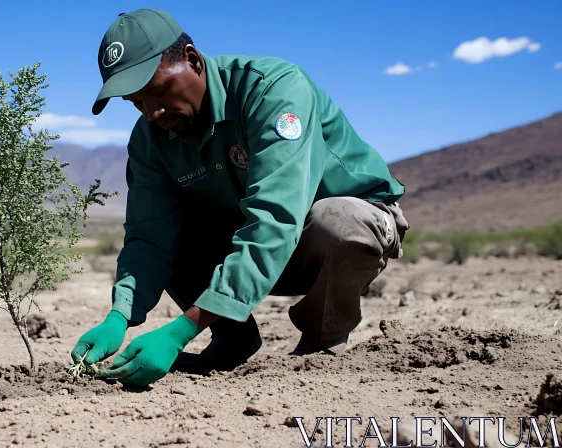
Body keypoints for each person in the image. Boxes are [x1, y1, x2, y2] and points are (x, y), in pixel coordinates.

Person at [70, 8, 409, 387]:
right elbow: (149, 236)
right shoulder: (150, 140)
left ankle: (322, 344)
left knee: (338, 222)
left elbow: (276, 218)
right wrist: (119, 315)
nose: (152, 112)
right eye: (137, 103)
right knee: (174, 234)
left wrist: (182, 329)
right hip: (251, 237)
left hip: (339, 233)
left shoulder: (272, 90)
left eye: (158, 91)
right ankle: (232, 339)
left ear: (193, 60)